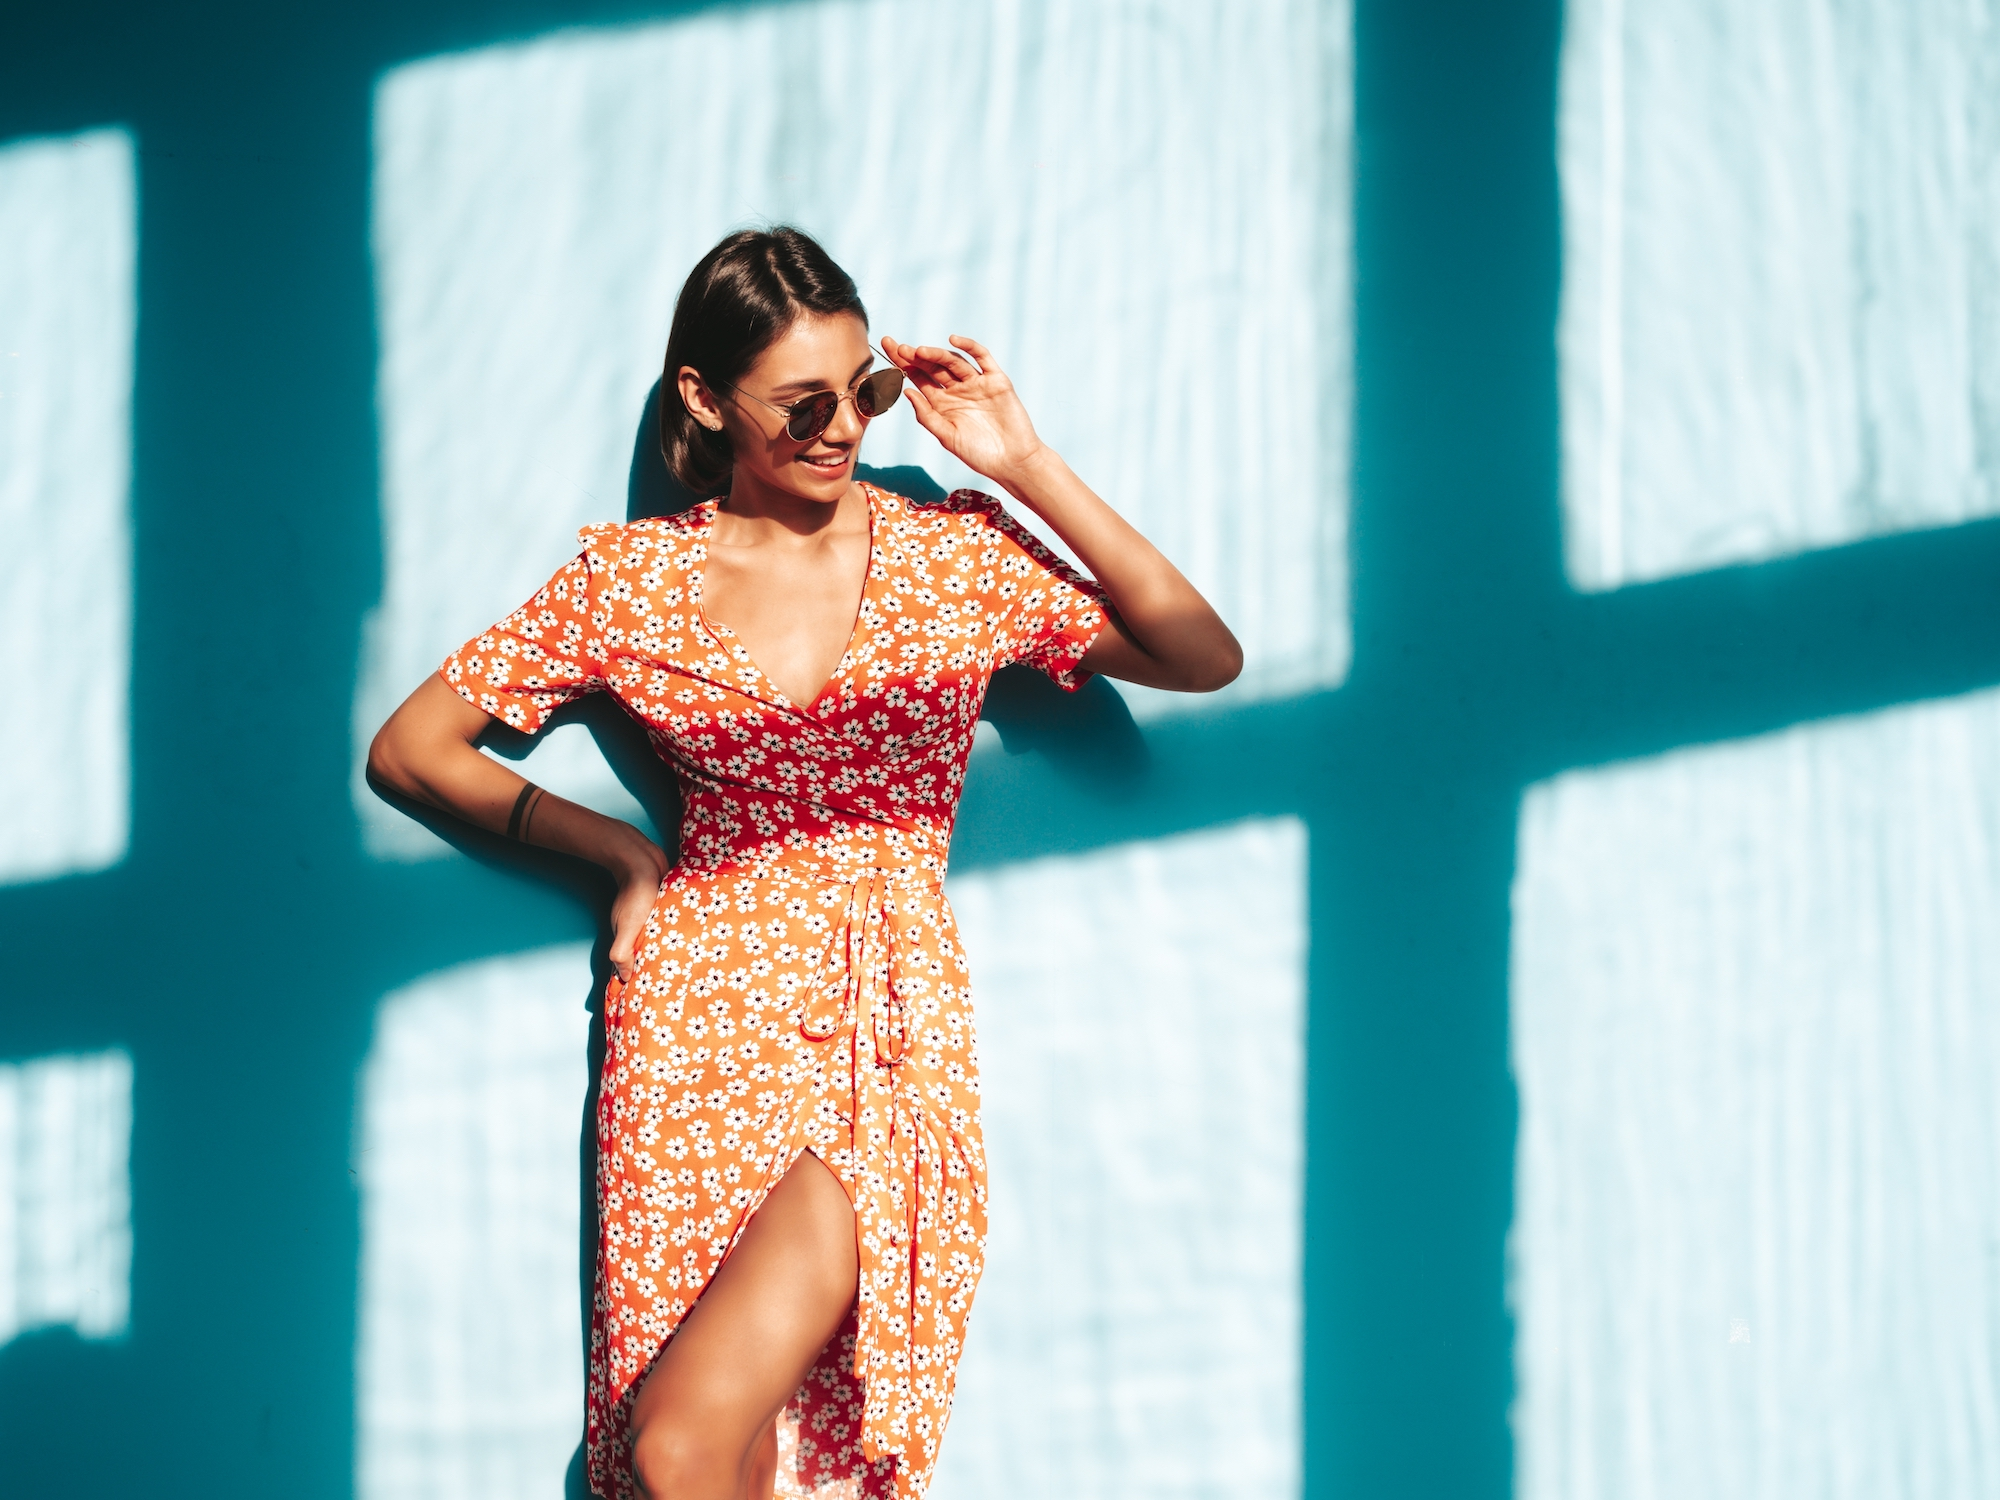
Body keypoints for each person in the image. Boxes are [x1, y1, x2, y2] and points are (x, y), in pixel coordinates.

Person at [367, 226, 1241, 1500]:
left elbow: (1194, 651)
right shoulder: (629, 584)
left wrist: (1022, 460)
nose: (843, 429)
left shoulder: (949, 553)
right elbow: (413, 748)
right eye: (803, 404)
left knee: (690, 1447)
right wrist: (614, 854)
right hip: (692, 1029)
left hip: (879, 1024)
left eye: (863, 393)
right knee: (691, 1460)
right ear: (706, 401)